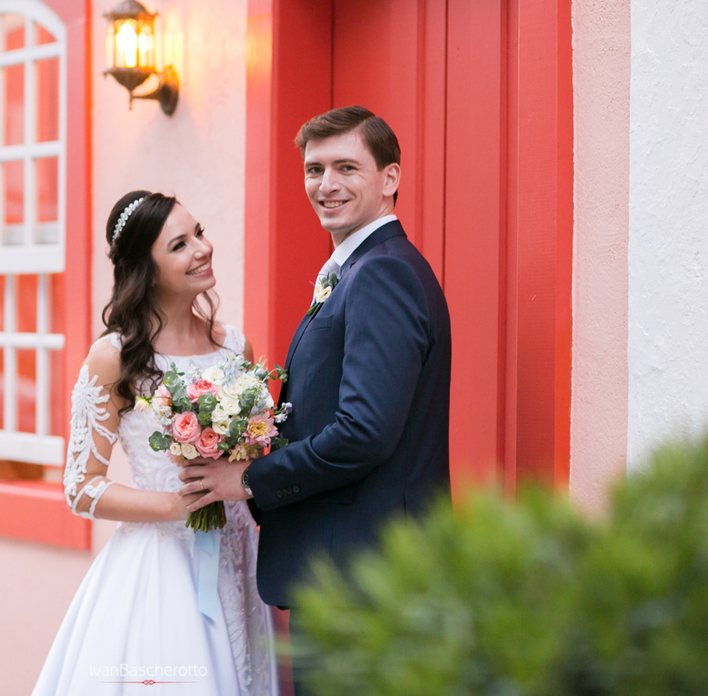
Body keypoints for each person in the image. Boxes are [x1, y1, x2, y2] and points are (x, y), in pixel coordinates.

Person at [179, 106, 452, 695]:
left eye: (346, 167)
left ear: (390, 178)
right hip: (349, 568)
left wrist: (247, 479)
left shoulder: (382, 274)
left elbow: (363, 432)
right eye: (314, 169)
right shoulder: (359, 269)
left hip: (364, 573)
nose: (326, 184)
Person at [32, 191, 278, 696]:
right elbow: (81, 487)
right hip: (163, 566)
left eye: (199, 233)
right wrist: (178, 504)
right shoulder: (114, 358)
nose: (202, 249)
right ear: (147, 270)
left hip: (239, 556)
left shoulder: (235, 346)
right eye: (179, 245)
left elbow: (253, 454)